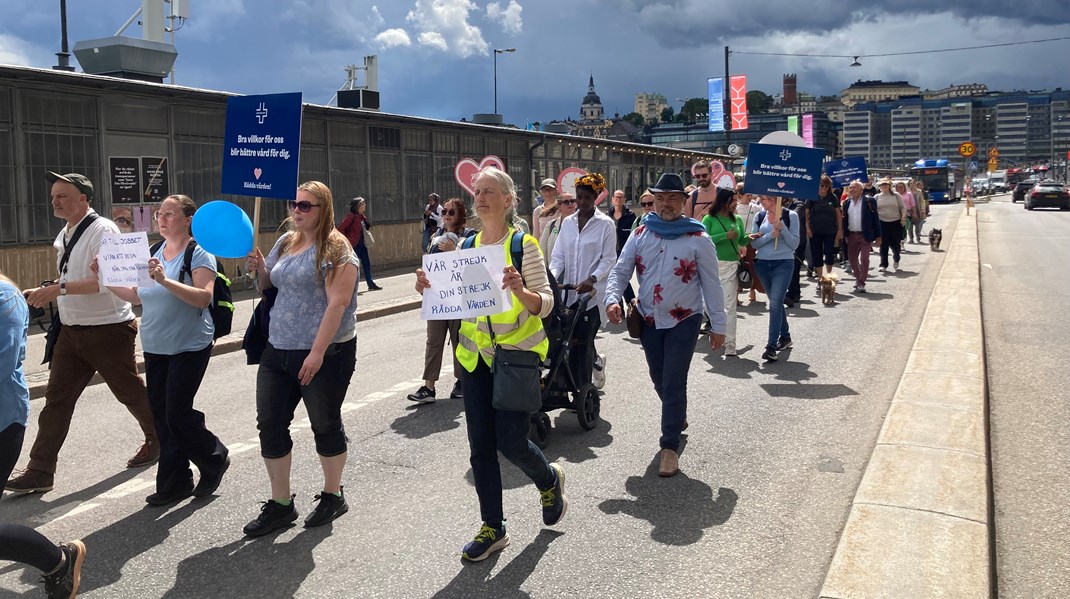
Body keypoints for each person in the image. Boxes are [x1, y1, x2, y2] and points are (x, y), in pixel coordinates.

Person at [415, 166, 565, 562]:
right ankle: (493, 527)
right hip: (474, 359)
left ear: (509, 200)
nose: (479, 198)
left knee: (511, 442)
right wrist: (429, 288)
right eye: (476, 191)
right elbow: (455, 301)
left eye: (489, 191)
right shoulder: (465, 246)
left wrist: (523, 289)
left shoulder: (522, 244)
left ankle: (549, 480)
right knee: (480, 445)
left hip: (515, 358)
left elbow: (546, 303)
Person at [6, 172, 158, 496]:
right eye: (53, 196)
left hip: (108, 329)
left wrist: (56, 290)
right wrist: (51, 290)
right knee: (56, 400)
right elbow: (72, 277)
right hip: (72, 332)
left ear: (83, 199)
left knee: (129, 391)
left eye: (62, 195)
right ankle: (40, 470)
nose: (54, 201)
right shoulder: (64, 233)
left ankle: (161, 438)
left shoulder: (105, 230)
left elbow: (107, 282)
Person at [243, 181, 359, 536]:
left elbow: (338, 304)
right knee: (270, 424)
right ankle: (280, 504)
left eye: (306, 205)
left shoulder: (338, 250)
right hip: (277, 348)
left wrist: (317, 353)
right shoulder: (285, 241)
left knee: (324, 424)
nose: (296, 210)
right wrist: (260, 269)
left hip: (325, 352)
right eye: (294, 203)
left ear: (324, 209)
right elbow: (271, 288)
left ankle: (332, 493)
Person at [99, 195, 230, 506]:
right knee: (162, 416)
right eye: (160, 213)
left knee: (178, 414)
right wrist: (105, 278)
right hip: (157, 346)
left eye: (170, 213)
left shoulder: (198, 254)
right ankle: (174, 483)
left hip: (189, 345)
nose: (163, 217)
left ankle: (214, 457)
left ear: (188, 220)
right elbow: (136, 296)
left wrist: (165, 279)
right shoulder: (153, 252)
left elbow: (202, 297)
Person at [605, 172, 726, 477]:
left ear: (684, 202)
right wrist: (611, 299)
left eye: (672, 198)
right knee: (658, 378)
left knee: (673, 381)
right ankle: (677, 413)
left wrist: (719, 326)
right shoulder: (640, 233)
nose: (665, 204)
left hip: (685, 319)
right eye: (660, 198)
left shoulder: (698, 238)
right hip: (648, 320)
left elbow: (712, 285)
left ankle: (669, 446)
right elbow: (621, 270)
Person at [549, 173, 617, 389]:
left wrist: (592, 278)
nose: (582, 202)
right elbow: (558, 256)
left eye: (587, 198)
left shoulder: (605, 224)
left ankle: (582, 387)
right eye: (579, 197)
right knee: (565, 339)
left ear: (596, 197)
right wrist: (550, 279)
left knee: (582, 341)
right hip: (569, 293)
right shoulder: (567, 223)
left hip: (593, 294)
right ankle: (589, 368)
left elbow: (609, 259)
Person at [408, 197, 475, 403]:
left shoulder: (471, 236)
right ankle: (429, 387)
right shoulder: (436, 235)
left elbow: (475, 266)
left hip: (460, 298)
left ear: (461, 215)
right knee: (434, 342)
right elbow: (428, 263)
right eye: (444, 212)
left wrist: (454, 252)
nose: (446, 216)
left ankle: (462, 381)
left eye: (451, 212)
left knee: (460, 341)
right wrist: (421, 279)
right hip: (437, 298)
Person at [749, 195, 801, 362]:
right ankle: (785, 336)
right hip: (763, 264)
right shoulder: (760, 216)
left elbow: (794, 245)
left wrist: (783, 229)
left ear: (773, 200)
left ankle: (771, 346)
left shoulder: (790, 216)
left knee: (775, 303)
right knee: (776, 303)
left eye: (763, 199)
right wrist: (771, 235)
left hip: (783, 264)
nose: (761, 202)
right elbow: (754, 244)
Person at [701, 187, 749, 356]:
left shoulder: (737, 219)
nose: (736, 203)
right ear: (723, 201)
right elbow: (702, 240)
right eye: (733, 200)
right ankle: (717, 328)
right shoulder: (709, 219)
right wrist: (724, 236)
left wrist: (750, 238)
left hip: (731, 265)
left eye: (736, 200)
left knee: (729, 306)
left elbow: (741, 239)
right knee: (708, 304)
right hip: (711, 266)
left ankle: (730, 343)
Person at [841, 180, 882, 293]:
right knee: (852, 260)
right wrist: (844, 235)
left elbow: (875, 219)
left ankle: (861, 282)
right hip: (851, 235)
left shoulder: (869, 201)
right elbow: (844, 221)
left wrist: (878, 236)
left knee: (864, 259)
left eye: (854, 187)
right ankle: (858, 278)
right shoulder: (846, 203)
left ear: (861, 190)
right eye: (850, 188)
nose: (852, 190)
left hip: (865, 235)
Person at [338, 197, 382, 291]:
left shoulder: (361, 216)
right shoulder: (351, 217)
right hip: (354, 245)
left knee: (366, 264)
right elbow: (340, 228)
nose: (365, 205)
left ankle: (370, 283)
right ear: (358, 206)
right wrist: (347, 240)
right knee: (353, 266)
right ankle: (351, 286)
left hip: (362, 244)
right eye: (363, 204)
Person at [805, 175, 844, 279]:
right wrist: (807, 228)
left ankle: (828, 277)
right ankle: (820, 278)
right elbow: (806, 214)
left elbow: (838, 215)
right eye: (822, 185)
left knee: (829, 254)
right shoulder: (811, 197)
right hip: (815, 231)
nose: (824, 188)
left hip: (830, 230)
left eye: (826, 186)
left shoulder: (832, 197)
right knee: (817, 254)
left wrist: (840, 229)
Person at [874, 178, 907, 271]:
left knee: (895, 245)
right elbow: (873, 211)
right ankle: (883, 264)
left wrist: (903, 217)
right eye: (882, 184)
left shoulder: (896, 196)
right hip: (882, 223)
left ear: (889, 186)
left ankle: (896, 258)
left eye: (886, 184)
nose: (884, 186)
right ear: (879, 187)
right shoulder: (876, 197)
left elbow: (902, 208)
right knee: (883, 244)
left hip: (895, 222)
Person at [539, 192, 576, 259]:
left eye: (572, 201)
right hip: (554, 268)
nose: (570, 204)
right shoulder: (551, 225)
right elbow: (542, 250)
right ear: (559, 206)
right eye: (566, 202)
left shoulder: (582, 224)